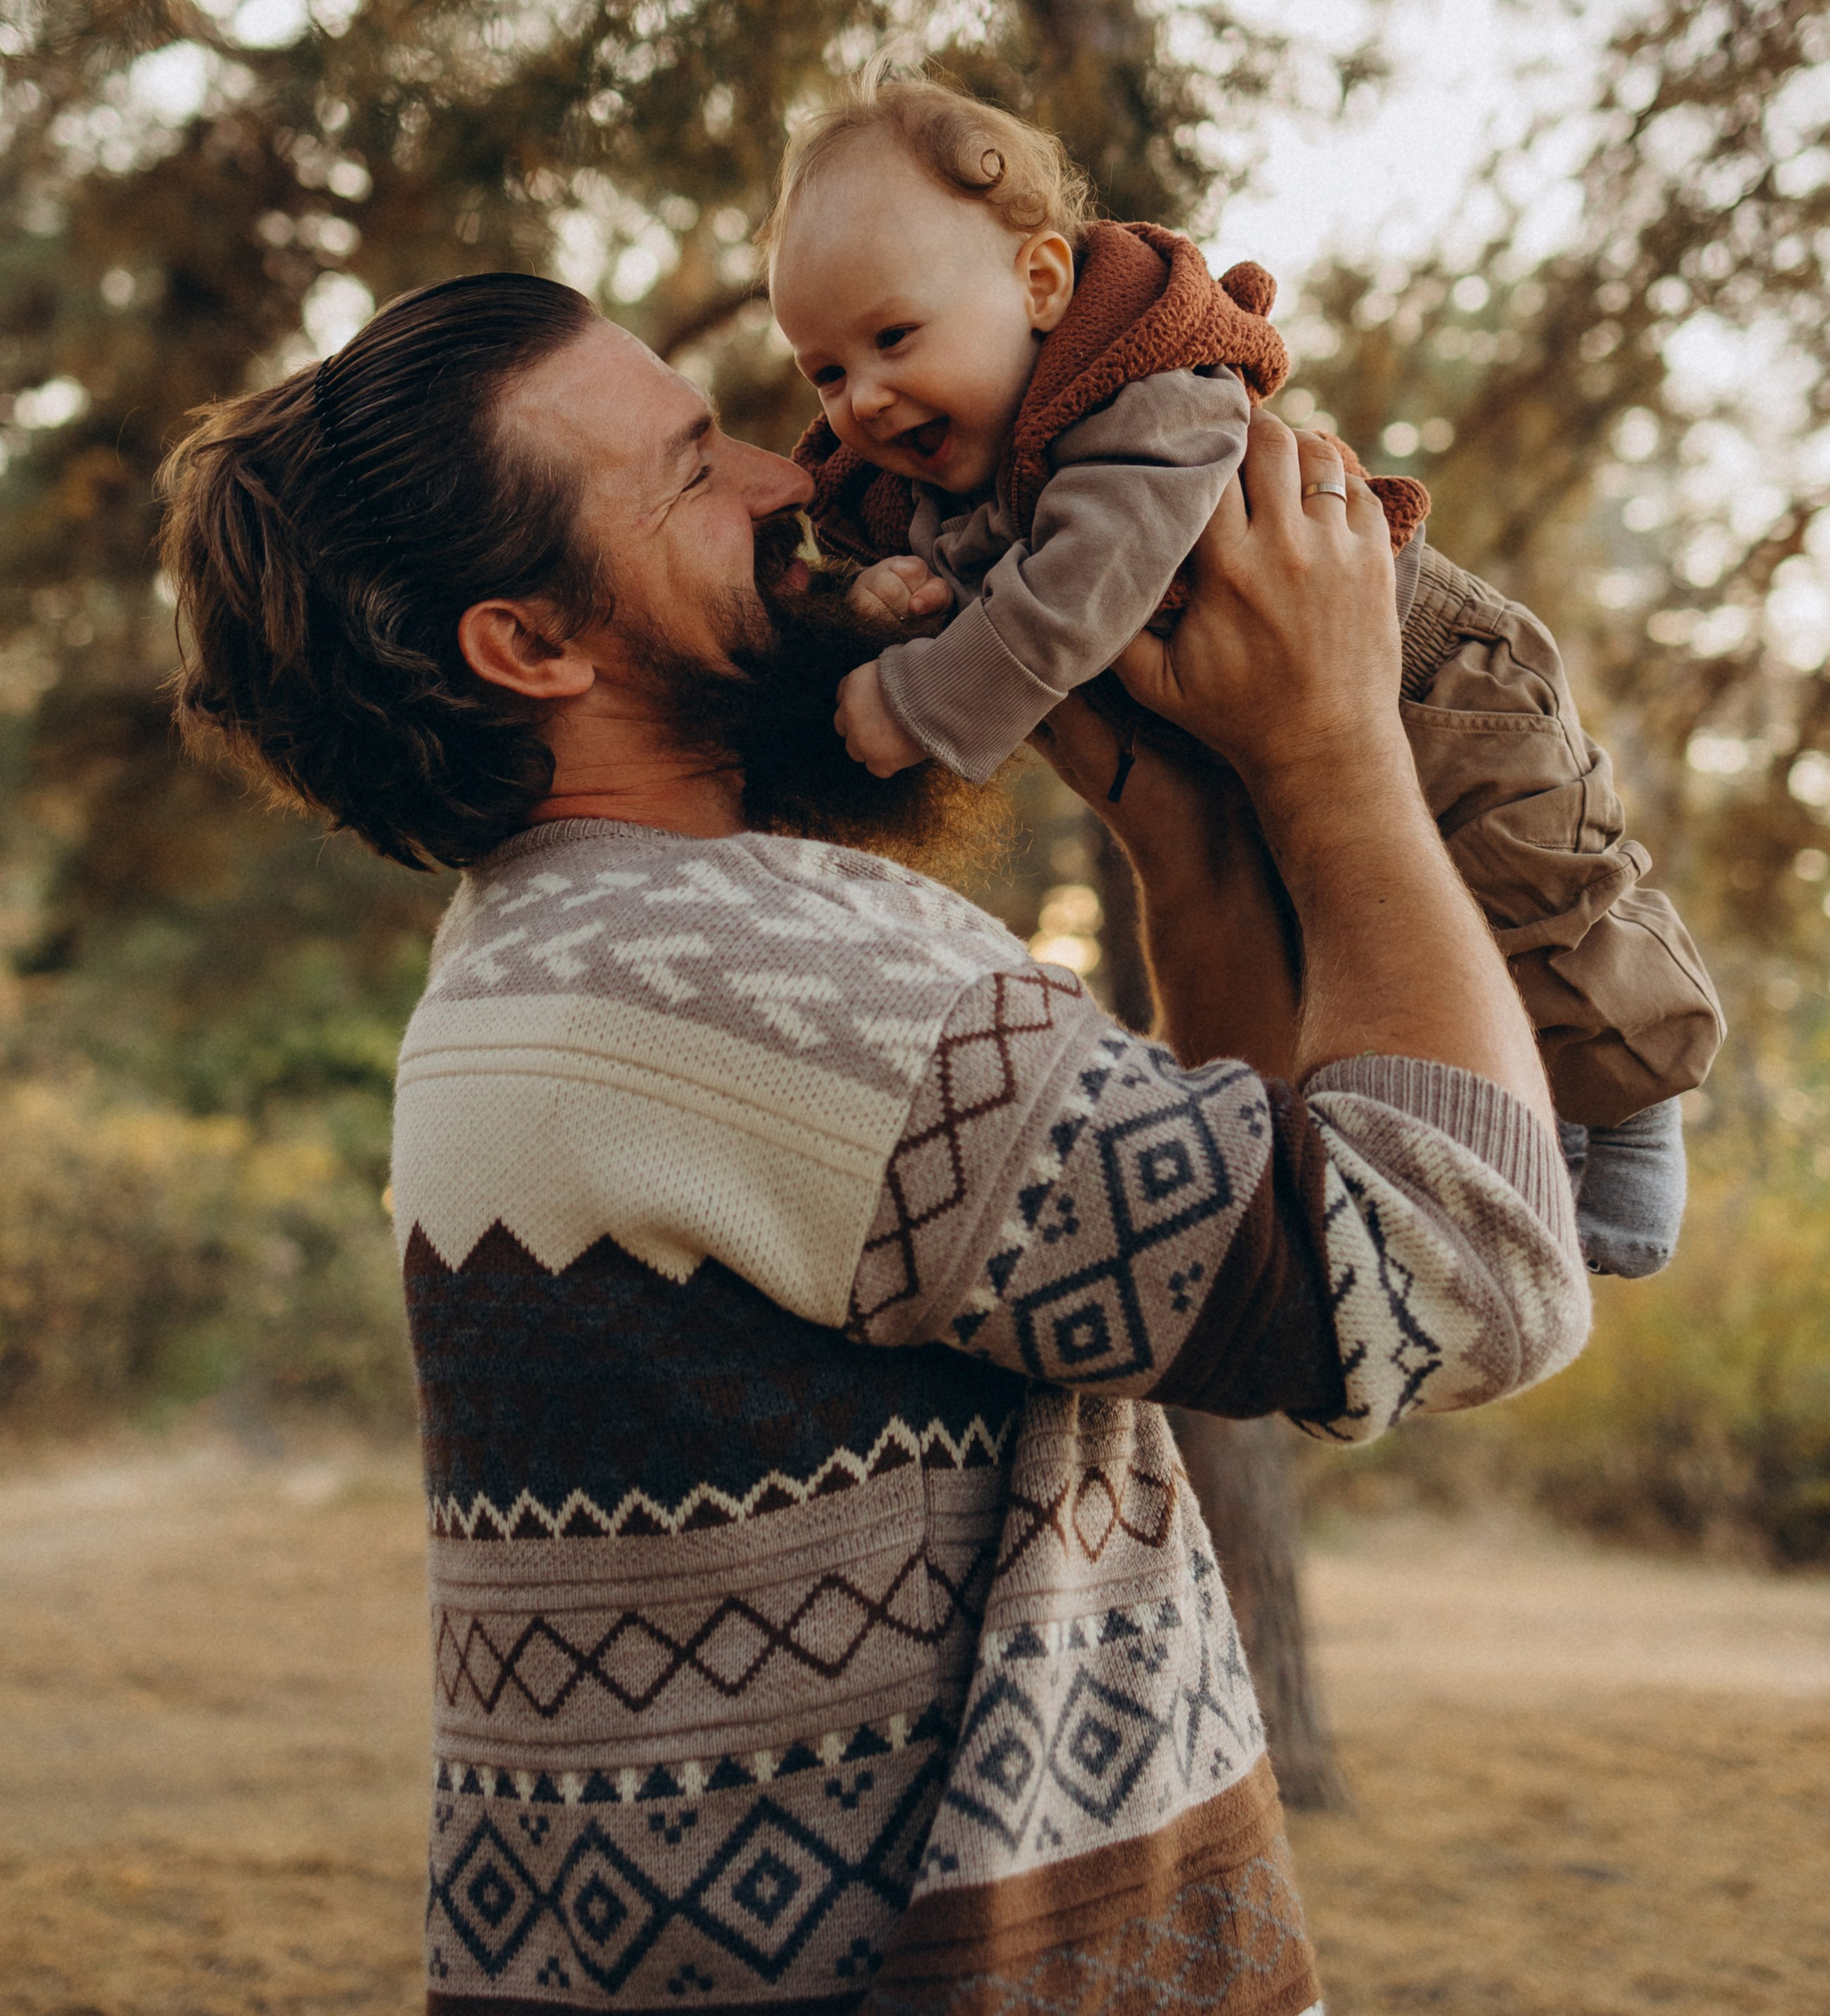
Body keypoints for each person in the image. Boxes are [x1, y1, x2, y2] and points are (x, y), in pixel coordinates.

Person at [158, 270, 1592, 2016]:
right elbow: (1454, 1274)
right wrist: (1336, 742)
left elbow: (1243, 1300)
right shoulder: (740, 977)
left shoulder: (551, 955)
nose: (793, 473)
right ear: (529, 647)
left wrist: (1192, 856)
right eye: (692, 472)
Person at [766, 67, 1722, 1282]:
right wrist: (889, 603)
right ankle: (1524, 1144)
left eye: (893, 338)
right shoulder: (978, 478)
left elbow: (1083, 583)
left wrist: (920, 700)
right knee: (1372, 955)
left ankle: (1637, 1101)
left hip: (1431, 677)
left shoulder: (1152, 393)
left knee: (1536, 900)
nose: (865, 397)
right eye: (825, 372)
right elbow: (983, 587)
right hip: (1256, 724)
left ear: (1040, 282)